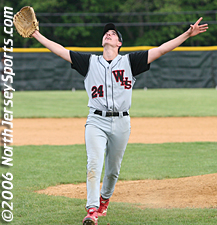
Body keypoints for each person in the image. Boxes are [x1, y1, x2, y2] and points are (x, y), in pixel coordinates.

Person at [32, 18, 208, 225]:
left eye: (113, 34)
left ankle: (104, 201)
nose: (109, 34)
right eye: (107, 33)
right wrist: (35, 34)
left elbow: (161, 50)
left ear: (119, 44)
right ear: (102, 42)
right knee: (94, 164)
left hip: (122, 123)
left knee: (113, 170)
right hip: (96, 120)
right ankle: (91, 211)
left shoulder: (130, 62)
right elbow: (60, 50)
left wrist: (187, 34)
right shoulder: (88, 62)